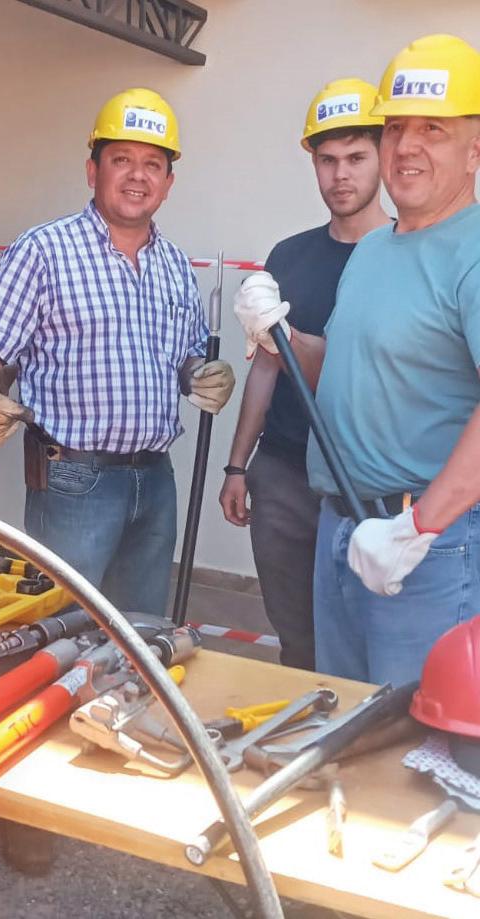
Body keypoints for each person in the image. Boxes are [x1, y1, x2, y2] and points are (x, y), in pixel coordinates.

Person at [0, 87, 234, 872]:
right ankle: (26, 808)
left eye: (153, 163)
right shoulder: (45, 251)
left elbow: (183, 358)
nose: (137, 175)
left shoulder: (174, 266)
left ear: (169, 181)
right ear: (93, 169)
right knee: (51, 642)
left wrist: (199, 373)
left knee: (139, 644)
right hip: (74, 480)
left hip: (155, 480)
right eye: (122, 159)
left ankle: (106, 788)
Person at [234, 33, 480, 688]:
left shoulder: (474, 251)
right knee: (348, 716)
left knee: (415, 734)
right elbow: (341, 372)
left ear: (476, 148)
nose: (407, 146)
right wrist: (280, 333)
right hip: (339, 526)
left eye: (433, 128)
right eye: (396, 127)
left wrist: (418, 526)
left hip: (429, 543)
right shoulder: (375, 249)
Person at [219, 79, 389, 669]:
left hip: (369, 480)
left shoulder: (403, 255)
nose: (341, 175)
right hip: (285, 474)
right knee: (297, 636)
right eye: (327, 160)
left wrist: (289, 339)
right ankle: (307, 724)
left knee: (369, 642)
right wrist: (238, 465)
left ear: (383, 156)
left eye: (356, 158)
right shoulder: (288, 256)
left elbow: (360, 371)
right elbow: (267, 367)